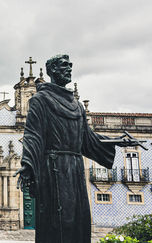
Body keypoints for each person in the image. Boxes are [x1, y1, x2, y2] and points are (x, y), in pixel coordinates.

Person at [16, 54, 136, 243]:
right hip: (53, 168)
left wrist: (116, 141)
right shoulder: (40, 100)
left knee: (79, 218)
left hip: (75, 169)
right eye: (64, 65)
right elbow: (33, 135)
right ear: (52, 71)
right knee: (58, 220)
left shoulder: (77, 105)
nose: (69, 68)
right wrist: (28, 164)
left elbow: (87, 140)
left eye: (70, 65)